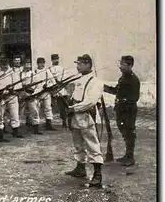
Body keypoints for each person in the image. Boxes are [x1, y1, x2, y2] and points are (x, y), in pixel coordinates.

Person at [65, 54, 104, 188]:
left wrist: (73, 108)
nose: (77, 66)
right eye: (77, 63)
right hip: (76, 116)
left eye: (80, 64)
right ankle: (80, 168)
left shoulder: (96, 82)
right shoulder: (80, 79)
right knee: (78, 143)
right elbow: (76, 96)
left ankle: (98, 175)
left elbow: (90, 102)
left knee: (92, 144)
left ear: (88, 65)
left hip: (87, 116)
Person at [103, 55, 140, 167]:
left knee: (129, 132)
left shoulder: (133, 79)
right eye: (121, 64)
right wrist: (104, 87)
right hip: (121, 110)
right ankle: (127, 155)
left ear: (130, 65)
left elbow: (134, 98)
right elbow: (117, 91)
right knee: (124, 132)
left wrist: (122, 102)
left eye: (123, 65)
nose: (120, 67)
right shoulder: (123, 78)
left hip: (128, 111)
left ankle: (130, 158)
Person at [0, 56, 23, 138]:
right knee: (0, 115)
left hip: (12, 96)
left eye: (6, 64)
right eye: (2, 64)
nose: (4, 66)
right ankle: (0, 133)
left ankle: (15, 131)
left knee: (15, 114)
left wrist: (12, 90)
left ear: (8, 64)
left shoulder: (12, 73)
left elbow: (17, 85)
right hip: (1, 97)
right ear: (0, 64)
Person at [20, 60, 42, 135]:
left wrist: (34, 94)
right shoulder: (20, 74)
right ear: (24, 65)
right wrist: (23, 93)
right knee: (20, 111)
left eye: (29, 64)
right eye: (26, 64)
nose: (28, 66)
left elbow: (38, 85)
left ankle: (36, 128)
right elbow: (19, 85)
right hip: (23, 94)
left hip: (31, 94)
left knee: (34, 111)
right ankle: (17, 129)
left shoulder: (34, 74)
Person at [35, 57, 56, 131]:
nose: (41, 64)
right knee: (36, 108)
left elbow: (53, 81)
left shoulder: (47, 71)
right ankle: (35, 125)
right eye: (40, 63)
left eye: (43, 63)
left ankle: (48, 124)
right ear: (37, 63)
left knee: (48, 108)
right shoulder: (34, 72)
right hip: (37, 93)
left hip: (46, 92)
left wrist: (48, 85)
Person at [49, 54, 69, 129]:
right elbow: (50, 79)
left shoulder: (62, 68)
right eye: (54, 59)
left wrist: (62, 84)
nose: (56, 60)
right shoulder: (50, 69)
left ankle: (65, 121)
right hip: (54, 89)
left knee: (64, 106)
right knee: (52, 106)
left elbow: (65, 78)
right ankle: (49, 123)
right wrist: (54, 86)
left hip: (62, 88)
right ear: (52, 60)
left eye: (57, 59)